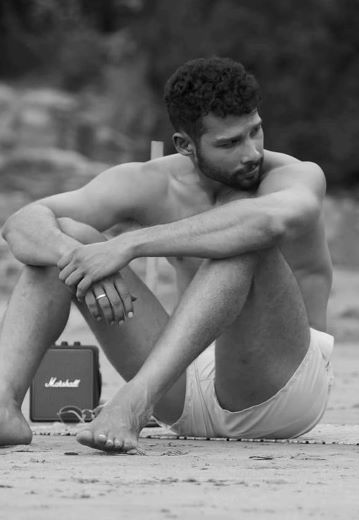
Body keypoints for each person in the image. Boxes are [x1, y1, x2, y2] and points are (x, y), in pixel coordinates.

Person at [0, 57, 334, 452]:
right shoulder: (150, 182)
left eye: (255, 131)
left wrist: (127, 245)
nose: (252, 152)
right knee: (63, 239)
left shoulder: (293, 175)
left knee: (243, 238)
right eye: (229, 143)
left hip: (282, 391)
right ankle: (4, 406)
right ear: (185, 145)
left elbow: (269, 223)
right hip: (181, 387)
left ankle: (133, 402)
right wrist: (77, 255)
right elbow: (21, 223)